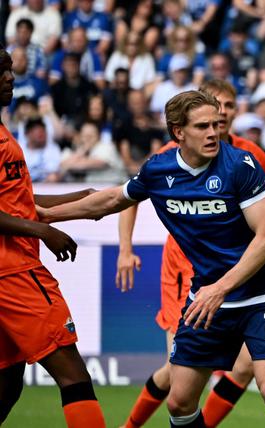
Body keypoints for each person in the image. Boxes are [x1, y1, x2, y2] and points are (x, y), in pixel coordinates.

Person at [38, 90, 265, 428]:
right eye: (202, 126)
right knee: (180, 402)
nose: (213, 133)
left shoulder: (241, 166)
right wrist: (48, 215)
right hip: (206, 295)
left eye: (215, 124)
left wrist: (220, 288)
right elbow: (110, 201)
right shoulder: (159, 169)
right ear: (178, 132)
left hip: (259, 293)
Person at [113, 80, 265, 428]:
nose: (222, 114)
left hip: (241, 275)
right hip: (186, 270)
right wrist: (125, 248)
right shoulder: (174, 153)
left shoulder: (248, 156)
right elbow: (128, 195)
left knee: (248, 369)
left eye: (227, 107)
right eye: (215, 107)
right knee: (175, 377)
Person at [0, 45, 106, 428]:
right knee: (73, 375)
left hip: (9, 272)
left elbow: (19, 201)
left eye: (10, 69)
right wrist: (43, 231)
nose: (10, 77)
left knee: (7, 382)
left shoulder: (3, 133)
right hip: (14, 271)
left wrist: (82, 200)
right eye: (1, 71)